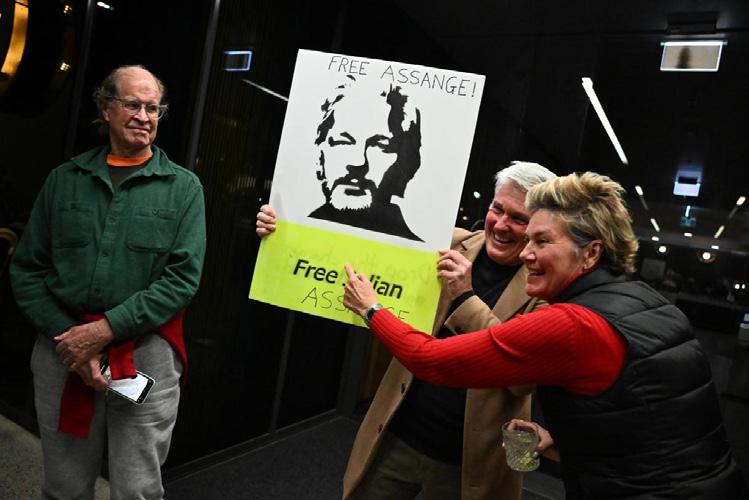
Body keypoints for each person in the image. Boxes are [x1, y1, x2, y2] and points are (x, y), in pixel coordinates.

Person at [342, 172, 747, 499]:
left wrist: (371, 310)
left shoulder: (572, 323)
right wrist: (559, 441)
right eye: (498, 211)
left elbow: (430, 360)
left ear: (591, 253)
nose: (525, 253)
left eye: (540, 240)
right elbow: (648, 421)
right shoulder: (647, 302)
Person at [257, 161, 558, 500]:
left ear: (538, 227)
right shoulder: (449, 243)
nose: (501, 225)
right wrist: (284, 232)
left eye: (518, 218)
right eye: (497, 209)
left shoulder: (545, 288)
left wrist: (465, 296)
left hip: (467, 464)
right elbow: (353, 250)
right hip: (396, 435)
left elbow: (521, 378)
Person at [10, 65, 206, 499]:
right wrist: (72, 339)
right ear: (105, 108)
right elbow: (27, 270)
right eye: (133, 104)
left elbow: (182, 280)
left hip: (146, 354)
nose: (144, 116)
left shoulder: (184, 188)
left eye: (153, 108)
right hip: (61, 348)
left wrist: (103, 331)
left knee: (137, 489)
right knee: (63, 485)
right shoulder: (64, 180)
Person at [310, 75, 423, 241]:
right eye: (342, 142)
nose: (358, 162)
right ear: (320, 156)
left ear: (406, 163)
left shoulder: (422, 254)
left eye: (379, 145)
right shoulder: (288, 227)